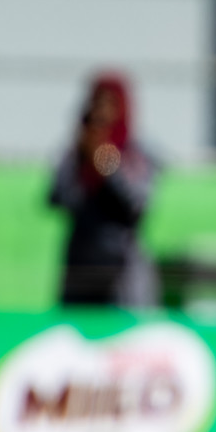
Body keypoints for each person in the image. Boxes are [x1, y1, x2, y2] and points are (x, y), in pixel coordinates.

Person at [49, 73, 157, 307]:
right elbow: (57, 198)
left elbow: (134, 203)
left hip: (121, 276)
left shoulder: (135, 154)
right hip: (81, 273)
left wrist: (102, 156)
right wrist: (81, 157)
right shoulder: (76, 156)